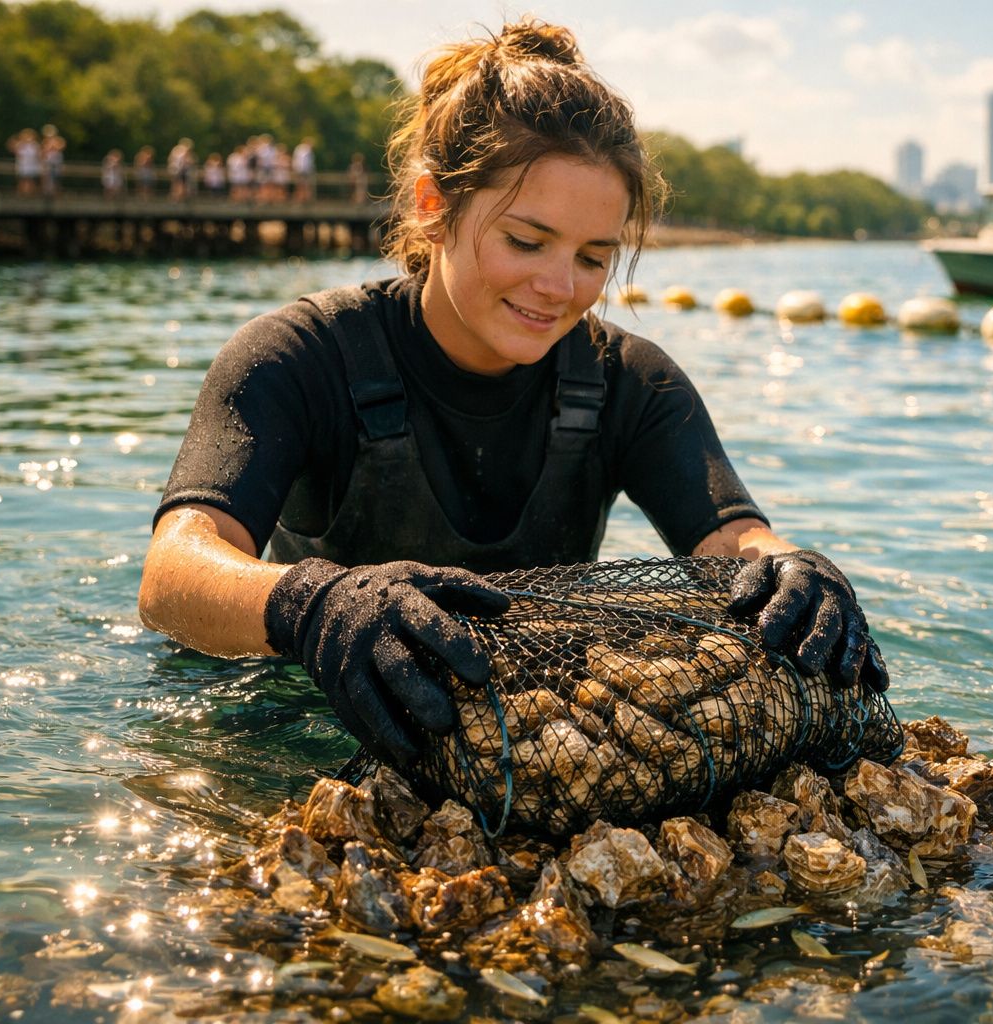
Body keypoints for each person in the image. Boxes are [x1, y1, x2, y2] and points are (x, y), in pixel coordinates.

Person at [138, 17, 888, 773]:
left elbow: (734, 543)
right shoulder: (297, 354)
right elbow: (173, 574)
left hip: (534, 742)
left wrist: (795, 567)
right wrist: (316, 606)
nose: (560, 289)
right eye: (526, 242)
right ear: (434, 205)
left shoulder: (633, 380)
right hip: (297, 728)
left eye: (594, 257)